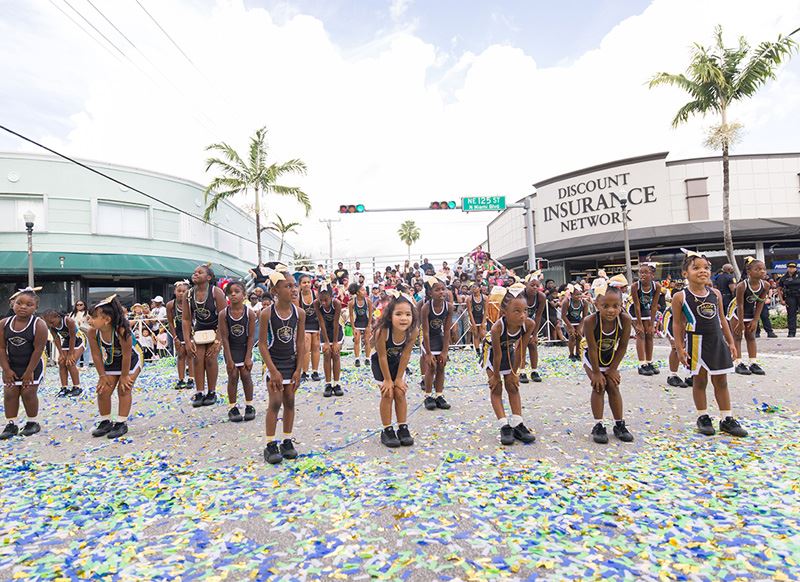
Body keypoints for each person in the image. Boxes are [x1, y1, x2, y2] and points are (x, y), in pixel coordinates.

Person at [672, 250, 747, 437]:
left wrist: (731, 342)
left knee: (721, 380)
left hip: (717, 342)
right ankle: (703, 416)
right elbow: (677, 323)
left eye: (706, 267)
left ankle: (726, 418)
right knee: (699, 380)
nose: (702, 271)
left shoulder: (715, 293)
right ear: (685, 273)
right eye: (696, 268)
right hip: (695, 343)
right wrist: (680, 348)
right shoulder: (680, 296)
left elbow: (722, 319)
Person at [260, 267, 306, 464]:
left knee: (290, 401)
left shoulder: (300, 313)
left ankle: (287, 440)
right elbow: (262, 344)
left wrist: (299, 369)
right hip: (274, 364)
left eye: (294, 285)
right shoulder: (266, 314)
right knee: (275, 402)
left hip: (291, 363)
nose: (293, 289)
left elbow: (301, 342)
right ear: (275, 292)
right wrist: (272, 371)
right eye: (288, 286)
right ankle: (270, 444)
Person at [481, 284, 536, 445]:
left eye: (525, 310)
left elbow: (521, 348)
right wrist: (496, 376)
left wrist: (514, 372)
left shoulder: (529, 324)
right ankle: (504, 425)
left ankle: (517, 423)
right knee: (496, 388)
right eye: (517, 311)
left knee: (512, 386)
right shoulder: (498, 327)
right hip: (491, 353)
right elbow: (497, 354)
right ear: (504, 313)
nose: (522, 315)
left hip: (509, 350)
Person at [86, 295, 144, 439]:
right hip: (112, 360)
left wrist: (124, 376)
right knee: (103, 390)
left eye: (93, 317)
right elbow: (97, 355)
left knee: (124, 388)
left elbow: (127, 355)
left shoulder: (122, 331)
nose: (89, 320)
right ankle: (105, 421)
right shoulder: (92, 332)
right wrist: (102, 376)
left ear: (106, 320)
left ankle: (121, 423)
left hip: (132, 358)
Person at [583, 285, 634, 444]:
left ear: (621, 305)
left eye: (615, 306)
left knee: (613, 385)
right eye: (605, 306)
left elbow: (623, 346)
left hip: (610, 357)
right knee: (599, 386)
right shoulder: (590, 321)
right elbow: (591, 348)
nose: (611, 310)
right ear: (597, 305)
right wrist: (597, 373)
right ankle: (598, 425)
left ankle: (619, 424)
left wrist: (613, 369)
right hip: (592, 359)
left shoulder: (625, 320)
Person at [371, 291, 418, 448]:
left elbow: (405, 355)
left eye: (407, 314)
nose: (404, 318)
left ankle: (403, 427)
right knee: (388, 393)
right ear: (390, 315)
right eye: (398, 314)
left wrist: (398, 379)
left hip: (397, 364)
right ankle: (387, 430)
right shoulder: (382, 331)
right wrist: (388, 380)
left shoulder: (413, 331)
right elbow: (382, 357)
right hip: (380, 363)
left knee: (400, 392)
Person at [0, 288, 47, 439]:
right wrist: (6, 369)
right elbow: (1, 348)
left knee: (28, 392)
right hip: (12, 364)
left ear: (36, 307)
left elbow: (38, 349)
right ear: (12, 304)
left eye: (29, 304)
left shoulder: (39, 324)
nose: (23, 306)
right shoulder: (3, 323)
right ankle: (11, 424)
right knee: (10, 392)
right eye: (19, 303)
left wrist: (29, 371)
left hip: (33, 364)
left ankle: (32, 422)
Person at [183, 264, 227, 408]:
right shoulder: (188, 294)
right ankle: (200, 391)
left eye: (200, 272)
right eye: (194, 272)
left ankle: (212, 391)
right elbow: (186, 319)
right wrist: (188, 340)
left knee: (210, 358)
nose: (195, 274)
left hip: (216, 328)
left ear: (208, 277)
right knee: (197, 358)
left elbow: (223, 316)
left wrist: (218, 340)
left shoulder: (216, 292)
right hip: (200, 329)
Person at [219, 280, 257, 423]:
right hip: (231, 349)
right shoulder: (224, 314)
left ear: (244, 294)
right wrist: (229, 359)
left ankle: (249, 405)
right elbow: (224, 337)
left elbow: (251, 337)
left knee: (246, 375)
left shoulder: (250, 314)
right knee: (233, 376)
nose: (233, 294)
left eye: (237, 291)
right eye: (230, 292)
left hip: (244, 348)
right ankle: (232, 407)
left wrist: (248, 357)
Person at [727, 257, 768, 376]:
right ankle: (737, 362)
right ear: (749, 272)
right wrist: (740, 323)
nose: (762, 271)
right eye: (758, 269)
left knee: (751, 336)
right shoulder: (741, 286)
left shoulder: (765, 285)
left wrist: (755, 320)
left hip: (750, 311)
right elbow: (739, 304)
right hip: (736, 311)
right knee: (737, 335)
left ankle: (753, 362)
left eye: (763, 269)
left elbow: (760, 302)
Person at [420, 276, 452, 410]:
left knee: (441, 365)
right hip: (428, 340)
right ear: (430, 293)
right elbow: (426, 332)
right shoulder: (426, 308)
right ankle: (428, 396)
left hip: (439, 338)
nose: (441, 292)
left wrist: (445, 351)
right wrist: (428, 353)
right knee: (431, 367)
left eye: (443, 289)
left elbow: (447, 330)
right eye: (437, 290)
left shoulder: (449, 307)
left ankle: (439, 395)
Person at [42, 309, 86, 397]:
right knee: (61, 362)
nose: (51, 325)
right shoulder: (51, 325)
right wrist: (61, 353)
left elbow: (73, 337)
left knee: (70, 363)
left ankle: (77, 387)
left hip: (78, 339)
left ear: (58, 317)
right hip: (67, 340)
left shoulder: (68, 321)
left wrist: (70, 354)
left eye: (52, 322)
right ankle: (64, 388)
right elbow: (56, 338)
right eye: (48, 323)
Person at [630, 263, 662, 375]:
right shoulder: (635, 286)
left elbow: (654, 306)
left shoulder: (657, 286)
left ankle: (649, 361)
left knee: (649, 334)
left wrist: (652, 324)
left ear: (652, 274)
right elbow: (637, 305)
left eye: (645, 272)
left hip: (648, 310)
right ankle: (641, 363)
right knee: (641, 334)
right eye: (641, 272)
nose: (642, 275)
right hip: (636, 311)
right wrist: (638, 323)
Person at [316, 283, 343, 397]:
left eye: (326, 300)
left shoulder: (337, 303)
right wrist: (326, 342)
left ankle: (336, 383)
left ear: (331, 297)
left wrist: (335, 342)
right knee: (327, 354)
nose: (323, 303)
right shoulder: (316, 304)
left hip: (336, 331)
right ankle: (328, 384)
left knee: (336, 354)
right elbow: (321, 322)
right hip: (325, 331)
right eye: (321, 300)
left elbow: (336, 323)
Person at [663, 280, 692, 388]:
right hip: (671, 319)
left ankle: (691, 373)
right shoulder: (683, 297)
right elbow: (681, 320)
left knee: (691, 346)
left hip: (684, 321)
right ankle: (672, 375)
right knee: (676, 346)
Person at [166, 281, 195, 390]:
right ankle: (181, 379)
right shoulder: (170, 305)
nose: (181, 293)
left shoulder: (191, 303)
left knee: (190, 355)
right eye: (179, 291)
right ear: (174, 291)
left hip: (191, 333)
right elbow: (170, 322)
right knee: (181, 355)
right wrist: (175, 337)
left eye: (184, 291)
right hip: (178, 332)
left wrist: (193, 337)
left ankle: (191, 378)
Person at [519, 274, 546, 382]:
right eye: (532, 285)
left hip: (532, 322)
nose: (535, 287)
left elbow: (538, 315)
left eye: (537, 285)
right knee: (522, 345)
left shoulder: (541, 297)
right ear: (526, 285)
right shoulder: (520, 296)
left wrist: (534, 334)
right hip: (519, 321)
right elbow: (519, 314)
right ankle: (522, 371)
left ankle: (534, 371)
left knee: (533, 344)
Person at [297, 275, 321, 382]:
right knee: (306, 347)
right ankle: (304, 372)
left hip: (315, 323)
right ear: (300, 285)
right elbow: (296, 313)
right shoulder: (297, 296)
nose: (307, 284)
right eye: (304, 283)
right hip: (304, 324)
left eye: (308, 282)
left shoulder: (315, 294)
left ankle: (315, 371)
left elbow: (321, 310)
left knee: (315, 346)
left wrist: (321, 326)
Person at [561, 284, 588, 361]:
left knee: (579, 336)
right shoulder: (566, 302)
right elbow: (563, 316)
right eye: (577, 295)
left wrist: (580, 327)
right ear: (571, 295)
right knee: (572, 336)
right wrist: (570, 327)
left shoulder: (584, 302)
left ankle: (578, 353)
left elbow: (584, 316)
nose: (579, 296)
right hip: (567, 321)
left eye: (580, 294)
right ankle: (571, 354)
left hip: (578, 321)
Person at [348, 282, 372, 368]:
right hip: (357, 323)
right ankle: (357, 358)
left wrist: (369, 326)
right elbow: (351, 316)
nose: (365, 291)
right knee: (357, 340)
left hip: (366, 322)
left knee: (367, 340)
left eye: (365, 290)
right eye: (362, 290)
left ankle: (368, 358)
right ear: (357, 292)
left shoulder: (368, 301)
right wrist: (353, 327)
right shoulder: (352, 302)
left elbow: (370, 314)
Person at [778, 261, 800, 337]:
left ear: (796, 268)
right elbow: (779, 289)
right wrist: (781, 300)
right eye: (790, 267)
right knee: (791, 314)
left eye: (793, 267)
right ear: (787, 268)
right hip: (790, 297)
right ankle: (791, 332)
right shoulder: (784, 278)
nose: (791, 269)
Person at [466, 282, 487, 353]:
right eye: (472, 287)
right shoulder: (469, 299)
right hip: (474, 317)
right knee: (475, 335)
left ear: (480, 288)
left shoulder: (484, 297)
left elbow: (486, 310)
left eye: (475, 287)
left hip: (481, 317)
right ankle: (478, 351)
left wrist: (483, 322)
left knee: (482, 334)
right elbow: (469, 312)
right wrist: (473, 323)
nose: (474, 288)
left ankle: (485, 350)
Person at [70, 299, 90, 368]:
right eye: (77, 305)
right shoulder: (72, 314)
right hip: (76, 333)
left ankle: (85, 364)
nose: (79, 306)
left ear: (84, 305)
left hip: (85, 332)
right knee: (76, 348)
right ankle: (77, 364)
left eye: (81, 304)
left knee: (86, 348)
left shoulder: (88, 313)